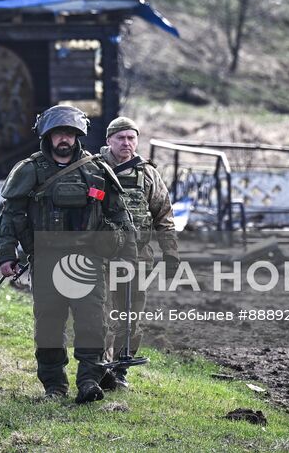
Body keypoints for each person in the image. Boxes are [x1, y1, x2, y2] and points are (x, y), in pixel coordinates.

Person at [0, 105, 133, 403]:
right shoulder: (30, 170)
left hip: (89, 260)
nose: (64, 140)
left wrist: (127, 250)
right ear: (47, 135)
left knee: (92, 322)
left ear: (77, 136)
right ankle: (54, 386)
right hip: (46, 260)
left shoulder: (96, 170)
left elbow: (120, 215)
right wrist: (7, 253)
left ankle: (89, 381)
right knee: (49, 324)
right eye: (59, 133)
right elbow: (11, 215)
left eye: (70, 134)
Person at [99, 115, 178, 391]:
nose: (126, 143)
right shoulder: (94, 169)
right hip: (101, 259)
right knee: (102, 316)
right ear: (108, 140)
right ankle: (99, 369)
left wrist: (171, 253)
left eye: (131, 138)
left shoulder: (147, 174)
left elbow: (163, 215)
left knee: (130, 316)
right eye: (120, 137)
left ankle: (121, 370)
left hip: (138, 258)